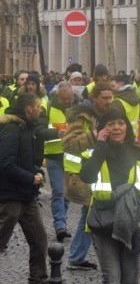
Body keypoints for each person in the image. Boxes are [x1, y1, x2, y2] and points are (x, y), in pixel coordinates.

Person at [79, 107, 140, 284]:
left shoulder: (138, 151)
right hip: (103, 222)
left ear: (127, 127)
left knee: (130, 277)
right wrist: (101, 146)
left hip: (132, 221)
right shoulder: (95, 152)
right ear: (102, 128)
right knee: (112, 278)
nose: (117, 127)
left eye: (121, 123)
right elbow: (87, 176)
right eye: (111, 124)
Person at [62, 82, 113, 270]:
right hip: (86, 176)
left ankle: (77, 257)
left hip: (104, 175)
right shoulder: (81, 118)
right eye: (104, 98)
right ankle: (79, 257)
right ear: (94, 98)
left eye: (110, 97)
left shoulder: (109, 115)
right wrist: (92, 136)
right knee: (90, 217)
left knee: (91, 217)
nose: (108, 101)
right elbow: (67, 144)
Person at [0, 93, 48, 284]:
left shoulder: (27, 128)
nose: (40, 109)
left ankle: (38, 277)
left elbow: (26, 161)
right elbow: (5, 163)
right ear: (29, 108)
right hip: (10, 196)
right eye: (38, 106)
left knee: (39, 239)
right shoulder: (13, 129)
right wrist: (30, 178)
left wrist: (38, 173)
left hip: (27, 196)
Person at [36, 82, 75, 241]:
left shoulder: (78, 108)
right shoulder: (48, 109)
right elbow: (39, 131)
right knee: (58, 191)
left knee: (67, 193)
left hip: (72, 157)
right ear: (58, 96)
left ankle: (62, 222)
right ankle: (60, 225)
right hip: (53, 156)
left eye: (70, 98)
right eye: (64, 99)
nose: (67, 101)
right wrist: (56, 133)